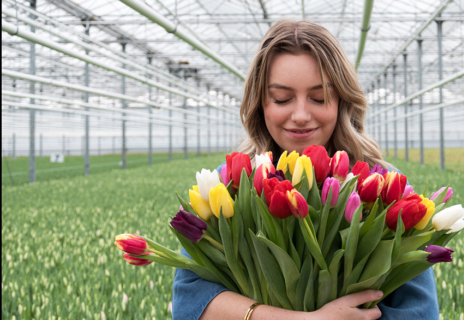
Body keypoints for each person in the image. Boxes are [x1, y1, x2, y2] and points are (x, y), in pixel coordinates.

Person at [173, 20, 438, 320]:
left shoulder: (381, 187)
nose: (300, 115)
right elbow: (189, 303)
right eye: (282, 98)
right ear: (260, 102)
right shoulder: (233, 181)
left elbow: (420, 311)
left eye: (319, 97)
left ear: (341, 100)